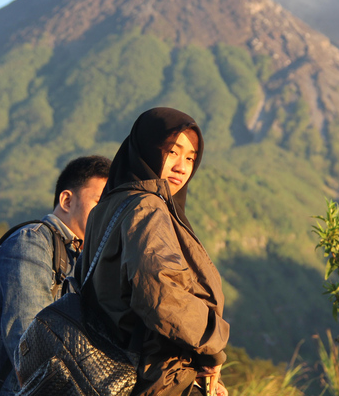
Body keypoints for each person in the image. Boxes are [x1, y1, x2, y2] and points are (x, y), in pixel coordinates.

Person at [81, 107, 230, 396]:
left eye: (190, 157)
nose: (182, 167)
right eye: (172, 152)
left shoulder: (107, 208)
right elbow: (161, 294)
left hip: (116, 373)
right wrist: (212, 347)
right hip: (156, 378)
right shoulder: (147, 207)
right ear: (147, 148)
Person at [0, 155, 111, 394]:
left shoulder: (82, 256)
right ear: (66, 200)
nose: (106, 214)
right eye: (99, 203)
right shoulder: (32, 243)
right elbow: (28, 345)